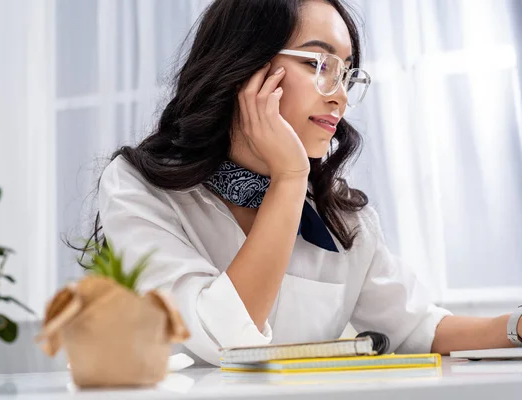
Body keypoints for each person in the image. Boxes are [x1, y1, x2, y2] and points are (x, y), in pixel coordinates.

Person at [87, 0, 522, 366]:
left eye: (347, 73)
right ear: (245, 68)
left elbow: (419, 327)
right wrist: (290, 179)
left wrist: (515, 327)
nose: (341, 95)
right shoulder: (139, 189)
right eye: (319, 64)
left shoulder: (342, 215)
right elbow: (223, 337)